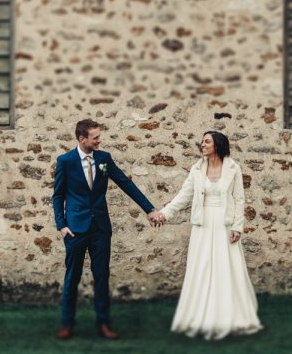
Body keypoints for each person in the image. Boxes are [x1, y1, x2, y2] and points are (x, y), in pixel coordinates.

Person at [52, 119, 164, 340]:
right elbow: (58, 196)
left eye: (99, 136)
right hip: (75, 229)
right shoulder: (65, 161)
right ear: (82, 139)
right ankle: (67, 324)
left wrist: (149, 209)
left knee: (101, 277)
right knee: (71, 277)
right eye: (95, 137)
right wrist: (62, 225)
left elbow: (125, 183)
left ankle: (103, 324)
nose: (99, 140)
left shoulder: (104, 159)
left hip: (101, 229)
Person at [156, 131, 263, 340]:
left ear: (218, 145)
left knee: (225, 266)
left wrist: (237, 227)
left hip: (225, 224)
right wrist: (164, 213)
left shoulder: (233, 168)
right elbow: (183, 196)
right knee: (202, 266)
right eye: (202, 141)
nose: (202, 144)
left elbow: (239, 199)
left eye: (207, 141)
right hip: (203, 225)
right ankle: (200, 315)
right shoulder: (197, 169)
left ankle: (230, 316)